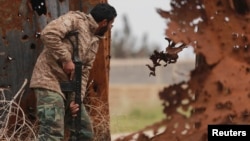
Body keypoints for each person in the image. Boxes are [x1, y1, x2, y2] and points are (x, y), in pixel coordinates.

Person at [29, 3, 117, 141]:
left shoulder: (94, 40)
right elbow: (48, 34)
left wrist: (76, 100)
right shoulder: (75, 20)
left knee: (84, 132)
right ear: (104, 22)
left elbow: (84, 72)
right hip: (48, 80)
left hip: (68, 88)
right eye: (112, 23)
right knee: (52, 133)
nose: (111, 27)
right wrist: (66, 59)